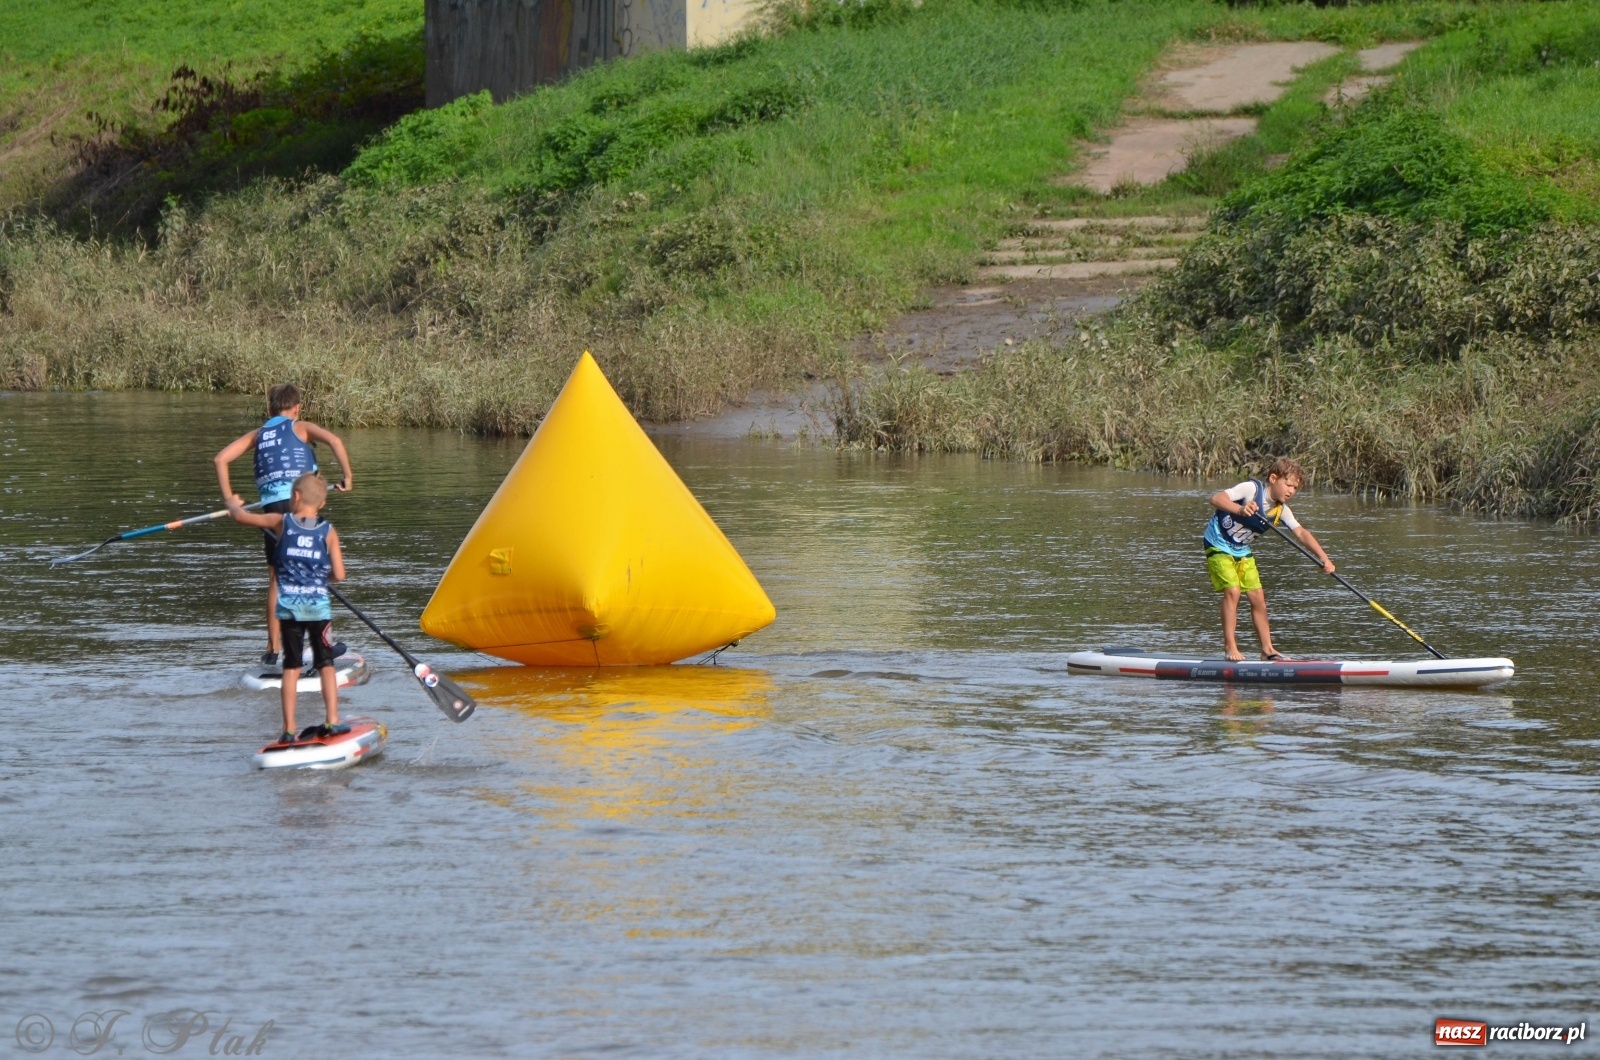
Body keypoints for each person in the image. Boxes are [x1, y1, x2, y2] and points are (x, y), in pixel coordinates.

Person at [214, 384, 353, 667]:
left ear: (269, 410)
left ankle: (272, 648)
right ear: (297, 407)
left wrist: (230, 500)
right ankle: (322, 641)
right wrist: (347, 477)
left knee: (277, 578)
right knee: (311, 566)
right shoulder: (301, 427)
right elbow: (336, 441)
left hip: (271, 511)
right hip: (300, 505)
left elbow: (220, 459)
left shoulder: (258, 434)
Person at [226, 473, 348, 743]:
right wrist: (319, 578)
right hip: (318, 609)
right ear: (322, 503)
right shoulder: (328, 532)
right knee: (326, 665)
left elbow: (241, 517)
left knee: (291, 668)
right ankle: (333, 721)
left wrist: (233, 503)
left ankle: (289, 729)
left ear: (295, 496)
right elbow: (339, 574)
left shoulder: (281, 522)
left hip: (289, 609)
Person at [1205, 457, 1335, 662]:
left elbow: (1301, 533)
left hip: (1241, 549)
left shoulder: (1281, 510)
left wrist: (1324, 559)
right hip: (1218, 542)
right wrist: (1240, 509)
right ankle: (1230, 646)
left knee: (1258, 597)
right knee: (1233, 590)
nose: (1291, 491)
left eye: (1295, 488)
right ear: (1273, 478)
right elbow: (1216, 498)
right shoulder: (1251, 490)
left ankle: (1267, 650)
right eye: (1288, 484)